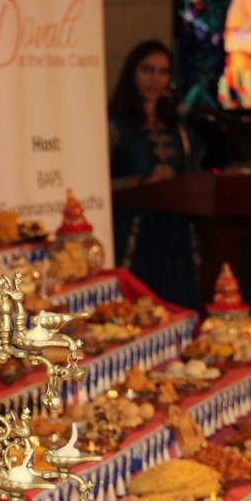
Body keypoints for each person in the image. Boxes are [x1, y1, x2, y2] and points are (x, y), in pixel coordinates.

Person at [108, 40, 205, 310]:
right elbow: (98, 183)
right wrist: (141, 183)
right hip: (132, 234)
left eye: (163, 72)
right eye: (148, 70)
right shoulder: (113, 124)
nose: (155, 79)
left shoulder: (180, 128)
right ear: (132, 73)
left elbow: (193, 174)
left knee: (177, 305)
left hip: (175, 235)